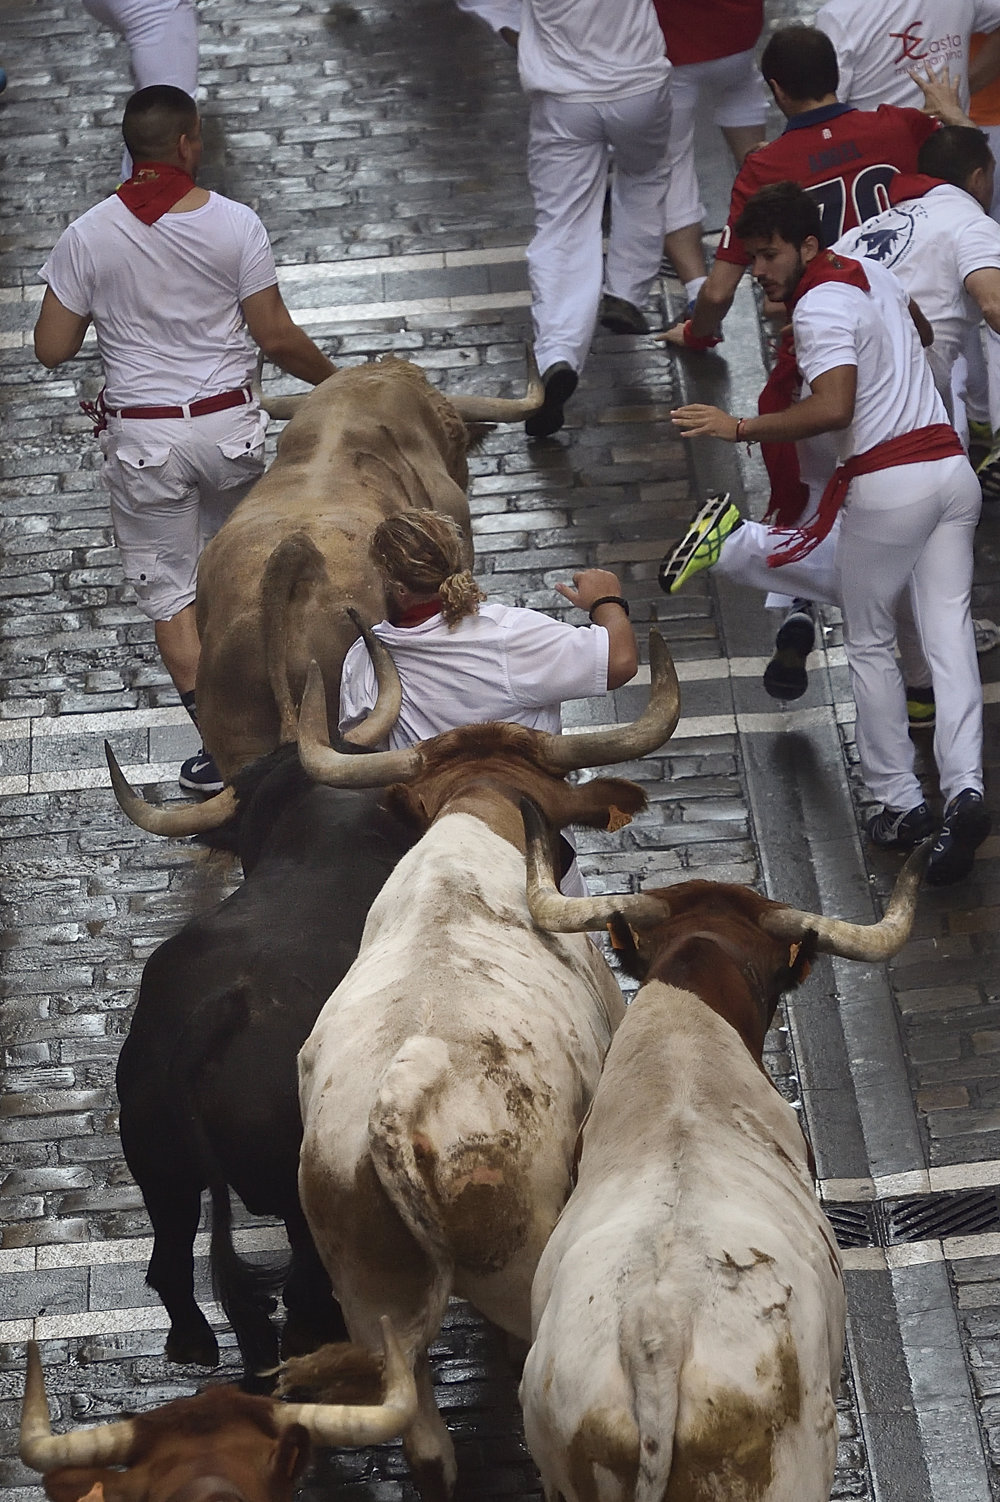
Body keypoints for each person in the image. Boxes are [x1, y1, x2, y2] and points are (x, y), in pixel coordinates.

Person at [661, 182, 990, 885]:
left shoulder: (819, 303)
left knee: (870, 641)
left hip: (889, 484)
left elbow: (833, 406)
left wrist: (738, 428)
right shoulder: (869, 270)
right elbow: (924, 331)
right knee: (947, 637)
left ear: (808, 246)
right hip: (950, 473)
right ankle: (965, 789)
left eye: (768, 255)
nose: (758, 271)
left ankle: (900, 802)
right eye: (752, 258)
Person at [33, 85, 337, 794]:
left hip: (144, 442)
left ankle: (221, 754)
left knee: (171, 594)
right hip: (230, 430)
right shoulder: (236, 224)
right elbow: (276, 335)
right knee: (258, 577)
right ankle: (291, 721)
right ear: (188, 143)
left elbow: (51, 347)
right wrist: (337, 382)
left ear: (130, 147)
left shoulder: (89, 233)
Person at [339, 511, 638, 894]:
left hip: (428, 859)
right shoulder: (509, 636)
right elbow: (621, 661)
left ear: (397, 589)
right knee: (581, 948)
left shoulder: (364, 659)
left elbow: (362, 759)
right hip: (533, 853)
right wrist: (607, 600)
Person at [456, 0, 672, 437]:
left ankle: (558, 352)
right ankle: (627, 290)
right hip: (639, 86)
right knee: (647, 175)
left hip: (563, 98)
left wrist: (529, 43)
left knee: (563, 225)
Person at [652, 0, 768, 313]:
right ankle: (780, 275)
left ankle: (696, 292)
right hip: (738, 41)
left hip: (673, 47)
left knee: (672, 170)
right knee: (758, 165)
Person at [815, 0, 1000, 112]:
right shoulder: (839, 16)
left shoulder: (837, 16)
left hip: (881, 161)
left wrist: (964, 85)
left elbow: (822, 108)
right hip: (951, 155)